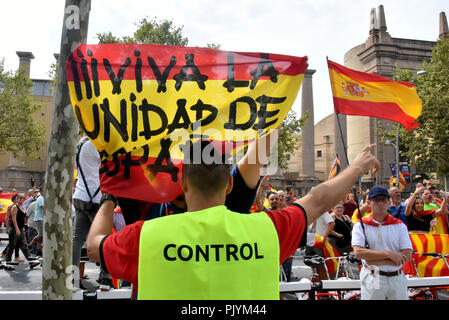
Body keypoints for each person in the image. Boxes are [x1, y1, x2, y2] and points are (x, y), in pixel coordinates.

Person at [87, 142, 379, 300]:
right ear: (229, 184)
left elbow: (94, 247)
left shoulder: (145, 236)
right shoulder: (267, 230)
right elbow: (318, 199)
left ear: (183, 182)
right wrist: (355, 168)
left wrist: (108, 198)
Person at [352, 185, 413, 300]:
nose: (380, 203)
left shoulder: (399, 225)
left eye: (384, 200)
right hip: (372, 276)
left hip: (397, 277)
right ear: (369, 203)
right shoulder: (361, 225)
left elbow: (407, 255)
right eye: (376, 200)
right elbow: (358, 252)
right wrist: (389, 255)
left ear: (389, 202)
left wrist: (374, 259)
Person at [72, 135, 113, 290]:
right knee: (104, 237)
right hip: (97, 198)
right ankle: (106, 277)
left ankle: (73, 278)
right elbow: (109, 162)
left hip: (80, 196)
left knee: (77, 239)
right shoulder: (97, 144)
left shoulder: (80, 144)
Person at [5, 193, 40, 268]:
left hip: (21, 228)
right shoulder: (15, 207)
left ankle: (29, 259)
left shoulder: (22, 207)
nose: (22, 199)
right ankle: (8, 260)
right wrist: (17, 229)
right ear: (17, 198)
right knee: (12, 245)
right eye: (20, 198)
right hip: (15, 229)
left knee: (24, 244)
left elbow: (24, 217)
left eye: (23, 198)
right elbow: (14, 219)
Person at [28, 187, 44, 256]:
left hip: (42, 219)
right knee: (41, 234)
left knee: (40, 235)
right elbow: (45, 208)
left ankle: (38, 249)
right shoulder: (40, 198)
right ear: (41, 191)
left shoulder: (44, 198)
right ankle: (29, 246)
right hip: (39, 219)